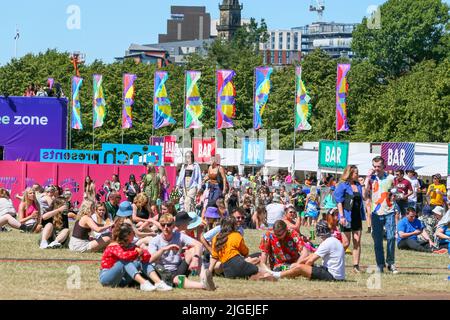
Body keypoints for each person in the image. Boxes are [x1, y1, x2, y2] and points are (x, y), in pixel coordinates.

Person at [148, 214, 216, 290]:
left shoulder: (179, 235)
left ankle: (204, 279)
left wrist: (195, 259)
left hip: (178, 268)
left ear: (173, 225)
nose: (166, 227)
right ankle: (204, 285)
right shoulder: (155, 241)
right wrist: (164, 249)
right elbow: (151, 259)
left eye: (169, 225)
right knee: (177, 280)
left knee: (193, 251)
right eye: (163, 225)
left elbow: (199, 244)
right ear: (160, 226)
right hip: (165, 272)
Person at [99, 221, 173, 292]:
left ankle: (159, 283)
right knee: (124, 261)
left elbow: (147, 256)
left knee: (140, 261)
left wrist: (141, 254)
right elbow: (124, 256)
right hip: (107, 279)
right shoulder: (113, 246)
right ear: (126, 236)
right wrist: (137, 252)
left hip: (122, 280)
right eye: (133, 233)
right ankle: (143, 283)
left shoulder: (130, 245)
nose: (134, 235)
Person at [264, 220, 345, 282]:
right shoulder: (334, 240)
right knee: (301, 266)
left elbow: (310, 261)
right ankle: (286, 272)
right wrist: (297, 264)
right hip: (337, 275)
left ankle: (276, 275)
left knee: (300, 268)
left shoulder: (327, 243)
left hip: (332, 276)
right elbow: (311, 256)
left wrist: (300, 267)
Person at [210, 216, 275, 280]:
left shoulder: (215, 238)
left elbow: (214, 257)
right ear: (234, 225)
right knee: (259, 268)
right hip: (239, 264)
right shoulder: (236, 235)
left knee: (245, 275)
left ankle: (254, 275)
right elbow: (245, 252)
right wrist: (248, 261)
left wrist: (210, 271)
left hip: (228, 272)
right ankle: (267, 273)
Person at [364, 156, 398, 274]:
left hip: (389, 211)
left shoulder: (391, 178)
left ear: (384, 166)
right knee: (377, 240)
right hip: (376, 213)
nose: (376, 169)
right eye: (375, 166)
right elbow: (365, 194)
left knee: (391, 237)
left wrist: (394, 197)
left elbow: (395, 192)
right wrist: (368, 178)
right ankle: (380, 264)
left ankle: (391, 262)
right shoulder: (371, 179)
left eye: (379, 166)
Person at [334, 165, 366, 273]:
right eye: (356, 173)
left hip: (357, 217)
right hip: (346, 217)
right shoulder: (343, 185)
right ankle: (336, 261)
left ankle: (356, 266)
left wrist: (364, 185)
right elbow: (339, 202)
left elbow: (365, 197)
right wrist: (341, 216)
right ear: (350, 174)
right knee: (346, 243)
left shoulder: (359, 185)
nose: (358, 175)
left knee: (357, 242)